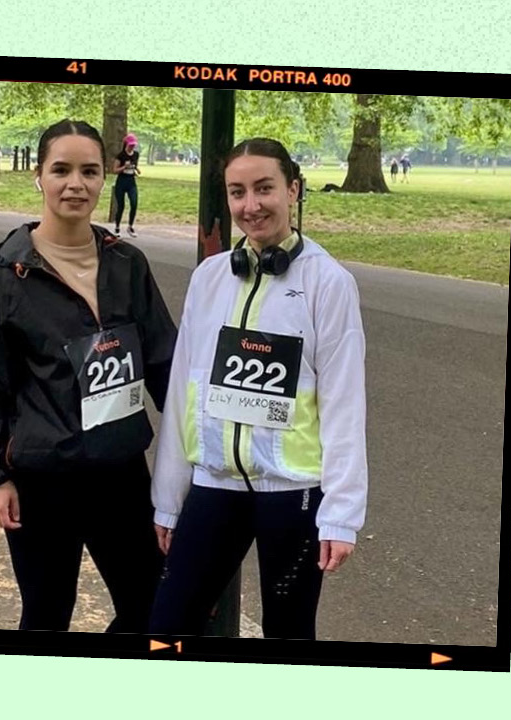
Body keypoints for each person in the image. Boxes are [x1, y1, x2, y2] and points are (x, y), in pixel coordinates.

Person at [0, 119, 178, 633]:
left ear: (106, 177)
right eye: (61, 170)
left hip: (119, 471)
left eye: (89, 171)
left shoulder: (127, 263)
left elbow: (164, 361)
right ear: (39, 177)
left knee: (152, 607)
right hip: (40, 478)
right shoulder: (2, 276)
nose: (75, 183)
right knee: (48, 613)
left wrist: (197, 453)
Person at [147, 138, 368, 640]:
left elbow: (343, 403)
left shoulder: (328, 283)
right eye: (238, 192)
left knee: (288, 635)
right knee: (167, 625)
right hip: (214, 486)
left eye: (265, 188)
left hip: (292, 495)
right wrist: (167, 497)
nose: (251, 205)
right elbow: (187, 388)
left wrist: (341, 514)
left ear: (292, 190)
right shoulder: (209, 278)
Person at [112, 133, 141, 238]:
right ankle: (117, 227)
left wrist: (136, 169)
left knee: (134, 203)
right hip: (121, 181)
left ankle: (130, 226)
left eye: (134, 145)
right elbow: (114, 170)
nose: (132, 147)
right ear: (126, 144)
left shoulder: (136, 154)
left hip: (131, 181)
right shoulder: (121, 156)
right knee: (121, 206)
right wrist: (124, 166)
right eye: (130, 145)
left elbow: (135, 165)